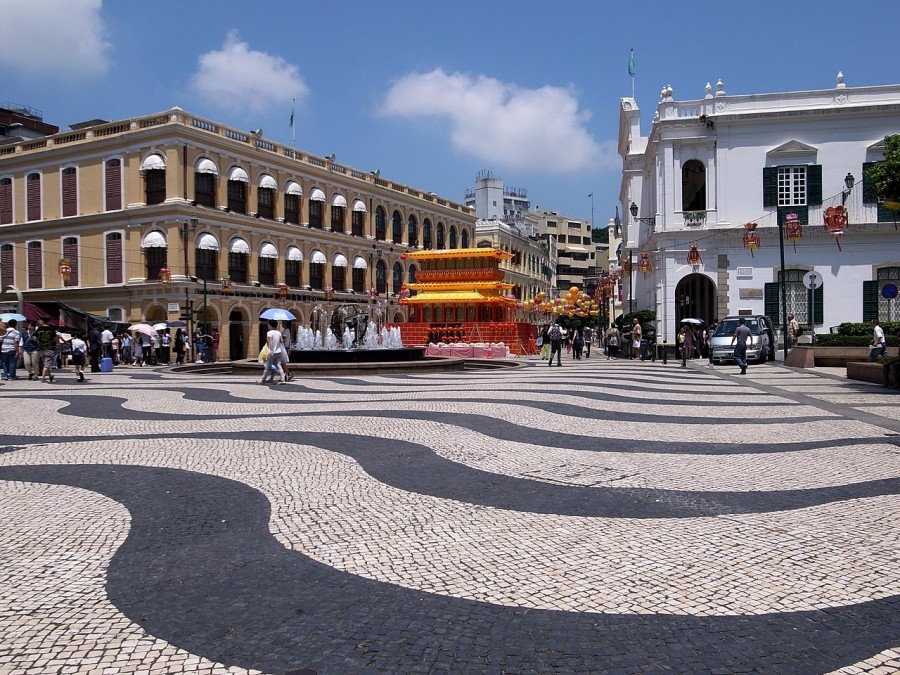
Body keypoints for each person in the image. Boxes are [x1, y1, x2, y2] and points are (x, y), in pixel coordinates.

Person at [260, 320, 286, 384]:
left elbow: (271, 342)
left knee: (267, 366)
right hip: (279, 352)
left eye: (268, 324)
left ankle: (263, 380)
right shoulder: (279, 332)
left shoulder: (269, 333)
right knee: (279, 366)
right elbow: (282, 341)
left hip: (272, 352)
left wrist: (271, 350)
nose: (268, 326)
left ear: (270, 325)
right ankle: (283, 380)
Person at [34, 316, 59, 383]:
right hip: (49, 348)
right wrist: (57, 343)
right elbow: (55, 338)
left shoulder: (39, 329)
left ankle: (50, 376)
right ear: (49, 321)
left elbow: (34, 338)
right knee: (47, 364)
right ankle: (43, 378)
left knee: (46, 363)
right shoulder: (51, 329)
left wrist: (40, 340)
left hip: (41, 348)